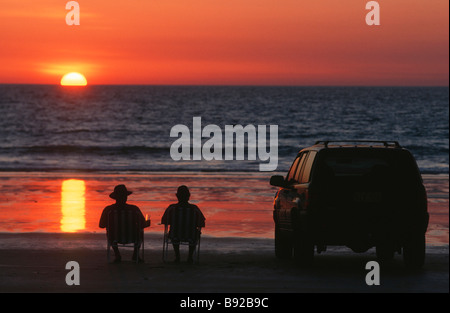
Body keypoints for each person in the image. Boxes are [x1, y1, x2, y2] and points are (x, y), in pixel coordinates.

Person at [99, 184, 150, 263]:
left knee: (109, 230)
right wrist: (148, 223)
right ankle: (135, 254)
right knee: (140, 230)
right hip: (133, 236)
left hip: (115, 237)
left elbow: (101, 225)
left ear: (115, 197)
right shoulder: (134, 209)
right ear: (126, 197)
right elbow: (142, 224)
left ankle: (117, 254)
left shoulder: (109, 210)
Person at [161, 185, 205, 263]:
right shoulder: (194, 209)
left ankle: (177, 256)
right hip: (191, 235)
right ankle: (190, 257)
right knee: (196, 233)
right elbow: (201, 223)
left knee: (173, 232)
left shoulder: (172, 208)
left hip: (175, 235)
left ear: (177, 196)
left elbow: (164, 221)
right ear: (189, 196)